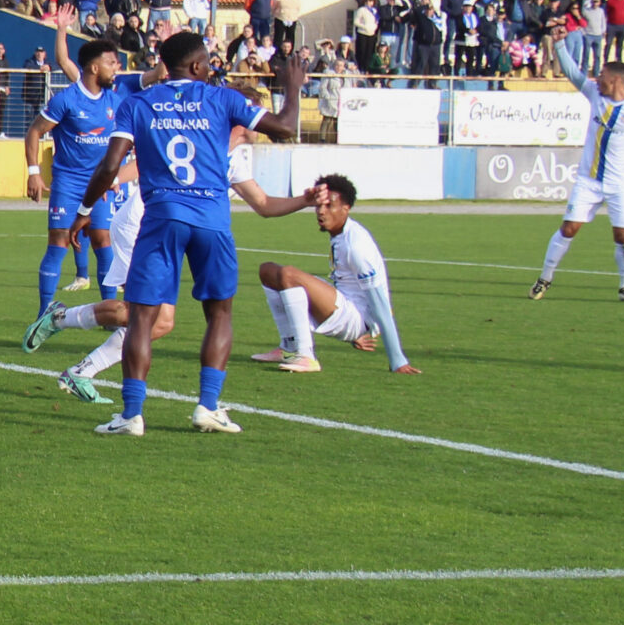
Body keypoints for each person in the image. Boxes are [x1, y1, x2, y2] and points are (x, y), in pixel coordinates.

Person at [72, 32, 304, 434]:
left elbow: (110, 167)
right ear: (197, 66)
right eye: (208, 61)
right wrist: (294, 87)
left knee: (142, 318)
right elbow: (284, 127)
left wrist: (85, 210)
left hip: (162, 217)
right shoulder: (223, 98)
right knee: (219, 313)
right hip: (212, 219)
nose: (211, 67)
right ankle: (207, 407)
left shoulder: (138, 103)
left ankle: (131, 415)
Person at [531, 28, 624, 301]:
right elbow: (573, 73)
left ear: (615, 80)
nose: (597, 78)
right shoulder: (595, 94)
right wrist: (559, 44)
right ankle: (544, 279)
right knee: (569, 228)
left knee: (622, 235)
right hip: (589, 181)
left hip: (621, 184)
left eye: (602, 75)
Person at [250, 174, 418, 374]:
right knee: (268, 271)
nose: (321, 211)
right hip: (344, 306)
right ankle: (289, 347)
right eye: (319, 206)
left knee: (289, 275)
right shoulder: (341, 233)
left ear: (346, 208)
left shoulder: (356, 246)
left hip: (356, 318)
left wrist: (397, 360)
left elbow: (381, 304)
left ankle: (305, 355)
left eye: (329, 206)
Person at [24, 33, 125, 313]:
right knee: (59, 240)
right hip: (68, 183)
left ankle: (108, 311)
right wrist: (34, 172)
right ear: (94, 67)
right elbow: (34, 131)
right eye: (111, 63)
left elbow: (123, 143)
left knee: (103, 239)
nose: (116, 68)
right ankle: (44, 312)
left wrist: (117, 176)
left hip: (101, 184)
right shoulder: (66, 100)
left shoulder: (115, 102)